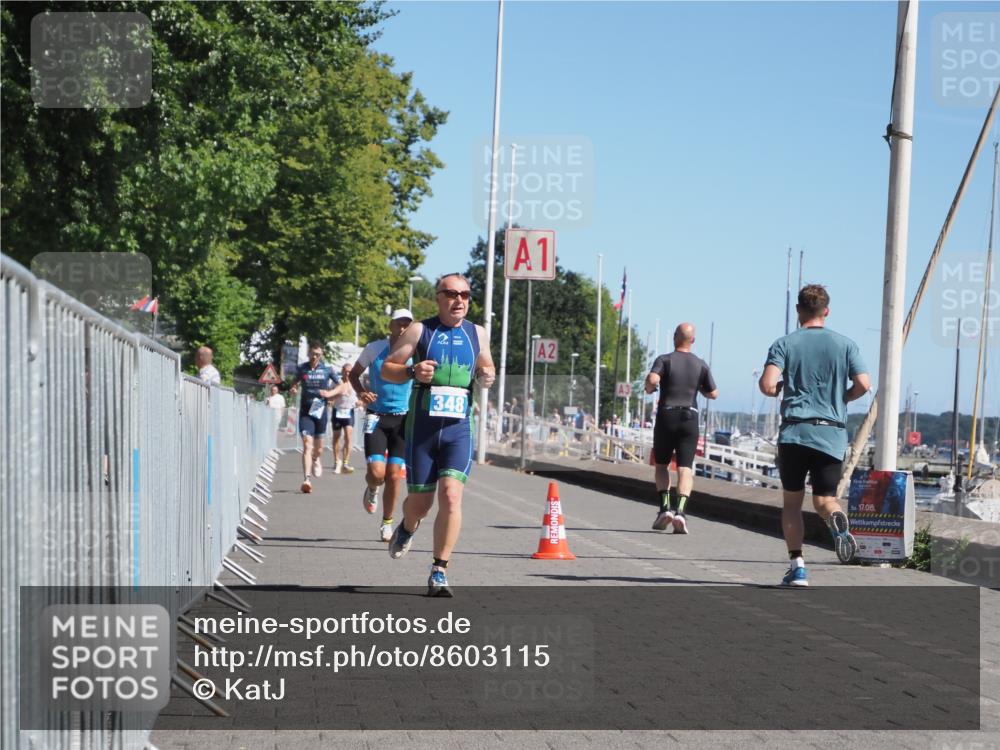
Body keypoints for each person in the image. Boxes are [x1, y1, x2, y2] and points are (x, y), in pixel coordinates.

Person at [381, 273, 496, 597]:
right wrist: (411, 371)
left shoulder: (478, 333)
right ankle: (406, 527)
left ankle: (439, 570)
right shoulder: (420, 330)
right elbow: (387, 368)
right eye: (452, 294)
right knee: (420, 504)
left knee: (451, 495)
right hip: (423, 430)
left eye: (466, 295)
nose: (459, 300)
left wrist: (487, 375)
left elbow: (486, 366)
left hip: (459, 429)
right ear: (439, 297)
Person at [759, 284, 870, 587]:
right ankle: (836, 517)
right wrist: (842, 398)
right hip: (831, 433)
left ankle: (798, 567)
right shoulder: (845, 345)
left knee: (793, 504)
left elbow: (768, 384)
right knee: (824, 499)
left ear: (799, 310)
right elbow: (863, 383)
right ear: (827, 311)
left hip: (796, 432)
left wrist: (781, 388)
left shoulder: (785, 343)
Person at [645, 323, 718, 534]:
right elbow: (714, 393)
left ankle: (664, 508)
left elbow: (652, 379)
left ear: (675, 337)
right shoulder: (701, 364)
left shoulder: (664, 360)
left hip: (667, 415)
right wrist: (700, 389)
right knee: (685, 468)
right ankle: (681, 512)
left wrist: (650, 387)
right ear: (692, 340)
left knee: (662, 465)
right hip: (690, 417)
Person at [349, 309, 414, 542]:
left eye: (408, 324)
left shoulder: (417, 351)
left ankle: (387, 524)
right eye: (400, 324)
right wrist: (362, 393)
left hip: (403, 419)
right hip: (375, 417)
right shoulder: (374, 348)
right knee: (377, 474)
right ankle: (373, 488)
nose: (404, 328)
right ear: (391, 326)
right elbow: (353, 374)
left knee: (395, 475)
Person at [290, 342, 350, 494]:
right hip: (306, 411)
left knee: (318, 449)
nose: (315, 357)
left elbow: (343, 386)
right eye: (312, 353)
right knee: (306, 444)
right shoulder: (302, 368)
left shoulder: (327, 369)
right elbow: (295, 383)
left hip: (320, 411)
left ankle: (316, 459)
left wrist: (329, 394)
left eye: (318, 354)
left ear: (321, 355)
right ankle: (306, 479)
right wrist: (294, 388)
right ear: (309, 353)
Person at [330, 363, 358, 474]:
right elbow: (330, 395)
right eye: (346, 371)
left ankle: (346, 462)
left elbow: (358, 397)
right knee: (336, 437)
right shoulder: (336, 382)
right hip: (337, 411)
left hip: (349, 411)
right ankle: (337, 461)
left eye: (350, 372)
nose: (347, 373)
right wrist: (335, 396)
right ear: (342, 371)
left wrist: (360, 402)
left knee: (348, 435)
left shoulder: (355, 382)